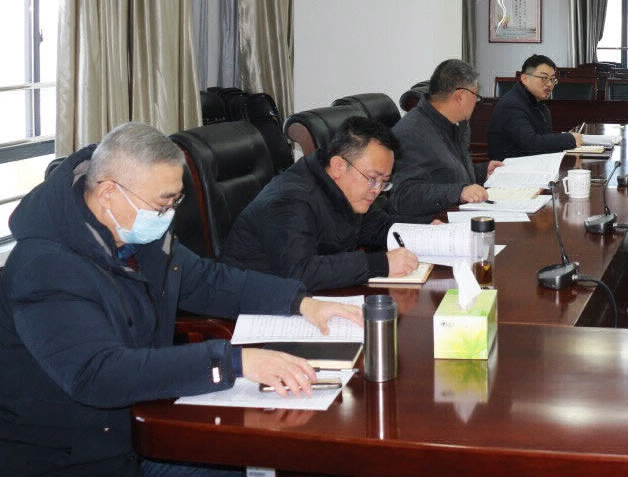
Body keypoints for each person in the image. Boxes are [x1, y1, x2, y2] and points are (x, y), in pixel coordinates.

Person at [0, 122, 361, 477]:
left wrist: (300, 302)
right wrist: (233, 362)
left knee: (270, 456)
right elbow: (98, 374)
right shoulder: (44, 268)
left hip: (142, 427)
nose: (168, 215)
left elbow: (207, 280)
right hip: (72, 456)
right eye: (162, 203)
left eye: (175, 200)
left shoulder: (136, 233)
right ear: (108, 192)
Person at [220, 117, 419, 292]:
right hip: (250, 307)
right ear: (338, 166)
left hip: (301, 299)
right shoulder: (291, 200)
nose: (377, 190)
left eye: (383, 182)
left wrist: (429, 230)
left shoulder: (343, 188)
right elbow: (300, 272)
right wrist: (380, 264)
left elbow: (380, 226)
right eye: (373, 179)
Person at [390, 59, 502, 217]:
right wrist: (459, 192)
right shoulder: (411, 134)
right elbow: (403, 196)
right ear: (460, 96)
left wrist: (482, 171)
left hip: (457, 213)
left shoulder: (455, 124)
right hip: (434, 223)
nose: (476, 102)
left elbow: (445, 172)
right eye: (475, 96)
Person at [486, 54, 584, 161]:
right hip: (511, 168)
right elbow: (531, 144)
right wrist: (570, 138)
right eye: (544, 78)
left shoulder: (539, 104)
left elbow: (544, 143)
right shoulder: (511, 104)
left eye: (552, 79)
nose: (549, 84)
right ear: (524, 79)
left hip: (532, 164)